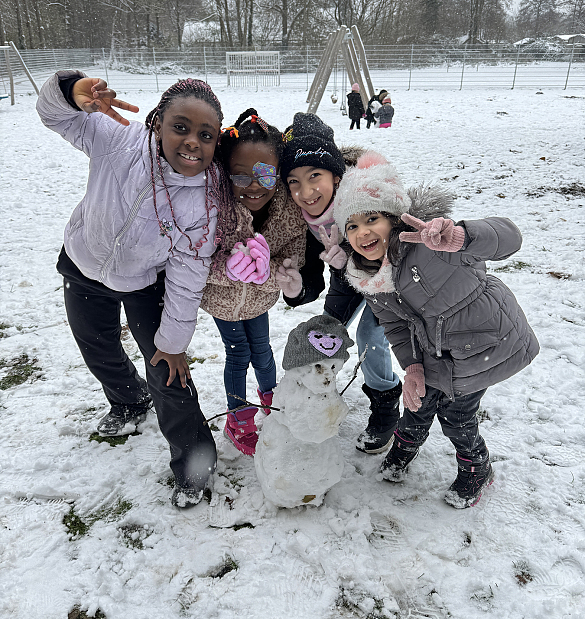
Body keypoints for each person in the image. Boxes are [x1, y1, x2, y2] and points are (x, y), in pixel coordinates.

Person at [37, 71, 233, 508]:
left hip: (144, 281)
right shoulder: (117, 141)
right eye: (180, 127)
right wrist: (70, 92)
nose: (192, 143)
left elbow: (189, 270)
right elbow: (54, 115)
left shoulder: (205, 200)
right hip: (84, 263)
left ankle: (194, 463)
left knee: (168, 371)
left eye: (206, 135)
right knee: (97, 346)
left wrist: (174, 342)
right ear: (156, 122)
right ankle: (128, 401)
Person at [334, 151, 539, 508]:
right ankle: (404, 448)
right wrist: (412, 367)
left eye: (372, 218)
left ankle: (477, 467)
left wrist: (463, 237)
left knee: (456, 416)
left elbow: (510, 238)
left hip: (484, 345)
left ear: (394, 218)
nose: (363, 231)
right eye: (351, 225)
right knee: (417, 401)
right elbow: (395, 326)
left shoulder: (433, 242)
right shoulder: (369, 276)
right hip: (435, 352)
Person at [277, 113, 402, 454]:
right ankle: (311, 397)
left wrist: (359, 262)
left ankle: (386, 408)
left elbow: (398, 241)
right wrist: (296, 288)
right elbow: (312, 279)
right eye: (293, 181)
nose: (305, 192)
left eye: (314, 176)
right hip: (344, 275)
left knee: (370, 336)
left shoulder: (361, 195)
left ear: (335, 173)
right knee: (326, 330)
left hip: (388, 277)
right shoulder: (302, 217)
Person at [200, 109, 306, 457]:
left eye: (265, 174)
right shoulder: (212, 208)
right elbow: (192, 259)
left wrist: (270, 272)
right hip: (222, 303)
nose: (254, 185)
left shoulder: (289, 212)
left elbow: (295, 255)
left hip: (260, 301)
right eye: (241, 177)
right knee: (238, 354)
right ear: (225, 175)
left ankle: (270, 401)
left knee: (262, 351)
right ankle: (238, 418)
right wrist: (227, 269)